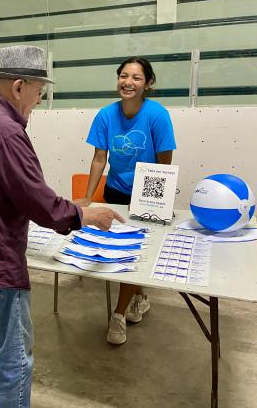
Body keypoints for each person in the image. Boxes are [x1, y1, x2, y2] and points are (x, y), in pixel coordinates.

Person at [0, 45, 123, 408]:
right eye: (38, 92)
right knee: (15, 358)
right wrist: (84, 215)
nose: (38, 102)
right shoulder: (5, 131)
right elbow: (35, 200)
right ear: (19, 87)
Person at [78, 56, 176, 345]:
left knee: (133, 253)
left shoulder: (157, 115)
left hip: (147, 196)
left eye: (135, 77)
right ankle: (139, 298)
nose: (127, 82)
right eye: (123, 75)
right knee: (124, 252)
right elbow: (99, 159)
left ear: (148, 83)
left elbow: (164, 163)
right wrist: (87, 196)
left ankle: (118, 314)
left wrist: (157, 202)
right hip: (117, 193)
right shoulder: (106, 115)